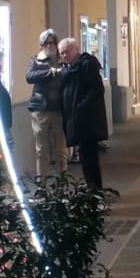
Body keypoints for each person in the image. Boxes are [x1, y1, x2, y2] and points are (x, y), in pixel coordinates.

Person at [57, 38, 108, 191]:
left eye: (66, 52)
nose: (64, 56)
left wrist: (81, 107)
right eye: (62, 54)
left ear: (75, 50)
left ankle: (95, 189)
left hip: (87, 120)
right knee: (85, 157)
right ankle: (92, 188)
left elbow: (96, 89)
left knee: (89, 157)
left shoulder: (86, 65)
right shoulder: (69, 68)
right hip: (77, 119)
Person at [25, 29, 68, 180]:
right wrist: (50, 72)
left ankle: (62, 185)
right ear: (41, 45)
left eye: (52, 42)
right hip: (40, 110)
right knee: (41, 150)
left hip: (59, 110)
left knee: (61, 150)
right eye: (46, 43)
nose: (50, 45)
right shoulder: (35, 60)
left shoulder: (63, 60)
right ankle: (41, 185)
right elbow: (29, 76)